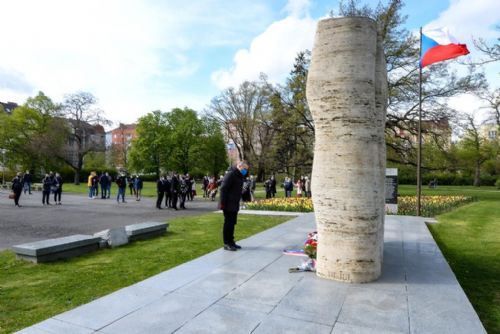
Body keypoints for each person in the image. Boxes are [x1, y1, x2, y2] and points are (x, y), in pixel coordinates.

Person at [219, 160, 249, 251]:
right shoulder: (231, 174)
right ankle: (227, 243)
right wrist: (222, 203)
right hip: (227, 203)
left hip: (234, 203)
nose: (245, 171)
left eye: (246, 170)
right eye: (244, 169)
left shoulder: (239, 176)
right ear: (239, 166)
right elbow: (223, 189)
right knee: (228, 223)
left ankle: (231, 241)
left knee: (232, 223)